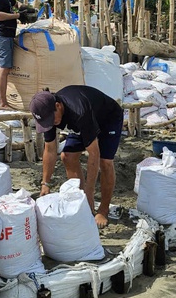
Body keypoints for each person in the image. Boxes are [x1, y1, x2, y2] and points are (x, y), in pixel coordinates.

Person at [30, 85, 124, 228]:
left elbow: (94, 153)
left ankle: (103, 210)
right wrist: (45, 183)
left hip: (108, 118)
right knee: (67, 156)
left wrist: (90, 192)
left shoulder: (79, 112)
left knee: (105, 161)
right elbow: (50, 149)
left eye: (51, 119)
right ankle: (81, 201)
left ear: (58, 106)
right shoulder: (49, 115)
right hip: (83, 123)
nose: (50, 124)